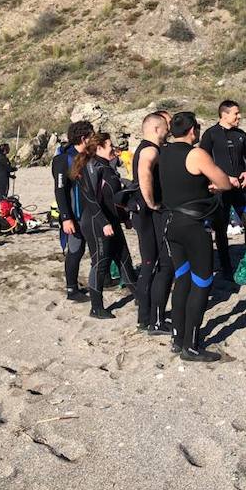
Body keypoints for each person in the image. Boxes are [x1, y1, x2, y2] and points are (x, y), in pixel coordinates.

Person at [159, 112, 234, 362]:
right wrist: (213, 185)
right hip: (192, 225)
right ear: (193, 130)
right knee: (202, 282)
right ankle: (191, 346)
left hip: (170, 222)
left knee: (182, 279)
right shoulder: (196, 154)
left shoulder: (163, 152)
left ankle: (177, 337)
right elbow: (224, 182)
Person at [71, 132, 137, 319]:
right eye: (110, 146)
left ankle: (140, 297)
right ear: (99, 148)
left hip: (111, 221)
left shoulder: (108, 167)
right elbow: (91, 199)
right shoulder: (92, 167)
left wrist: (124, 217)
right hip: (96, 222)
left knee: (125, 259)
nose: (113, 149)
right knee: (101, 263)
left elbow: (113, 198)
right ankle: (96, 307)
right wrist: (103, 222)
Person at [199, 100, 246, 279]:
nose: (239, 116)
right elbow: (202, 161)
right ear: (224, 115)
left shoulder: (241, 134)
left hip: (240, 189)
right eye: (236, 113)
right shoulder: (210, 134)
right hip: (220, 192)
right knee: (221, 229)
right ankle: (226, 268)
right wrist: (221, 179)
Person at [131, 113, 174, 334]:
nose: (168, 130)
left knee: (150, 264)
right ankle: (151, 319)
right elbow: (144, 173)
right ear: (157, 129)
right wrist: (152, 202)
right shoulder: (150, 150)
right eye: (166, 126)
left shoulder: (146, 148)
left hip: (145, 215)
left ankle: (145, 317)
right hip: (150, 215)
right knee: (157, 264)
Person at [51, 121, 94, 303]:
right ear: (84, 138)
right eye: (91, 136)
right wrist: (66, 218)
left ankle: (106, 279)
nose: (93, 139)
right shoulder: (64, 159)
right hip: (74, 215)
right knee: (76, 250)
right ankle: (72, 289)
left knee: (97, 249)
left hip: (90, 214)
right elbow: (60, 191)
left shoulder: (88, 156)